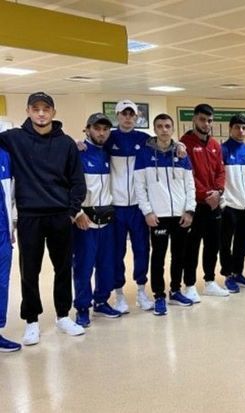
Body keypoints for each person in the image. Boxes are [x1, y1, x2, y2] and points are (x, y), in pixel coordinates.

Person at [0, 92, 87, 345]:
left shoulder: (67, 143)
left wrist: (71, 211)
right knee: (30, 271)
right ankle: (31, 321)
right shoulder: (14, 138)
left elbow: (77, 182)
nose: (41, 113)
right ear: (28, 111)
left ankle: (63, 316)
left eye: (45, 109)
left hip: (60, 216)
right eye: (35, 109)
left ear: (53, 112)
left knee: (63, 269)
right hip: (30, 216)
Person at [134, 114, 196, 316]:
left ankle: (175, 290)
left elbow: (190, 186)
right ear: (154, 129)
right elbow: (139, 187)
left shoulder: (182, 154)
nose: (164, 130)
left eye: (167, 126)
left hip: (180, 214)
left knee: (179, 255)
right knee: (158, 257)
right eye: (160, 126)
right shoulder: (144, 155)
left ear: (173, 129)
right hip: (158, 216)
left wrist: (189, 210)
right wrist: (148, 212)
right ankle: (159, 295)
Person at [72, 113, 122, 328]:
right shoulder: (77, 153)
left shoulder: (110, 153)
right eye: (97, 129)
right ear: (87, 129)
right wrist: (76, 213)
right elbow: (67, 186)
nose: (101, 133)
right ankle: (83, 307)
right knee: (84, 266)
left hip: (107, 219)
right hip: (85, 220)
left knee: (106, 264)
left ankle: (101, 301)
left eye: (105, 129)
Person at [107, 99, 154, 313]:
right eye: (124, 114)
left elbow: (165, 145)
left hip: (138, 206)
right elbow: (91, 144)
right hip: (116, 206)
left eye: (131, 114)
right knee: (117, 252)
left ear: (136, 117)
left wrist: (179, 146)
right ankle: (119, 295)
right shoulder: (109, 138)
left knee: (142, 249)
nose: (127, 118)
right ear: (117, 116)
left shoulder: (144, 139)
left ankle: (142, 291)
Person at [180, 104, 229, 298]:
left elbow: (221, 171)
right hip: (195, 204)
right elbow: (188, 175)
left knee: (212, 244)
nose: (206, 124)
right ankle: (189, 285)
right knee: (191, 246)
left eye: (209, 120)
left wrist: (218, 191)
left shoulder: (215, 145)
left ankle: (210, 281)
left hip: (214, 204)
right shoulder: (185, 144)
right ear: (194, 119)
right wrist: (206, 195)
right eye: (202, 119)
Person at [220, 114, 245, 293]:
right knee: (226, 242)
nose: (241, 131)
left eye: (244, 128)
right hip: (229, 206)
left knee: (244, 241)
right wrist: (223, 202)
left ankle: (238, 272)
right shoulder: (223, 150)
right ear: (230, 129)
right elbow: (218, 177)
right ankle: (228, 275)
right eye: (237, 127)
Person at [0, 146, 19, 352]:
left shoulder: (5, 156)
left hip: (3, 232)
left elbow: (11, 193)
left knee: (1, 283)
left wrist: (11, 224)